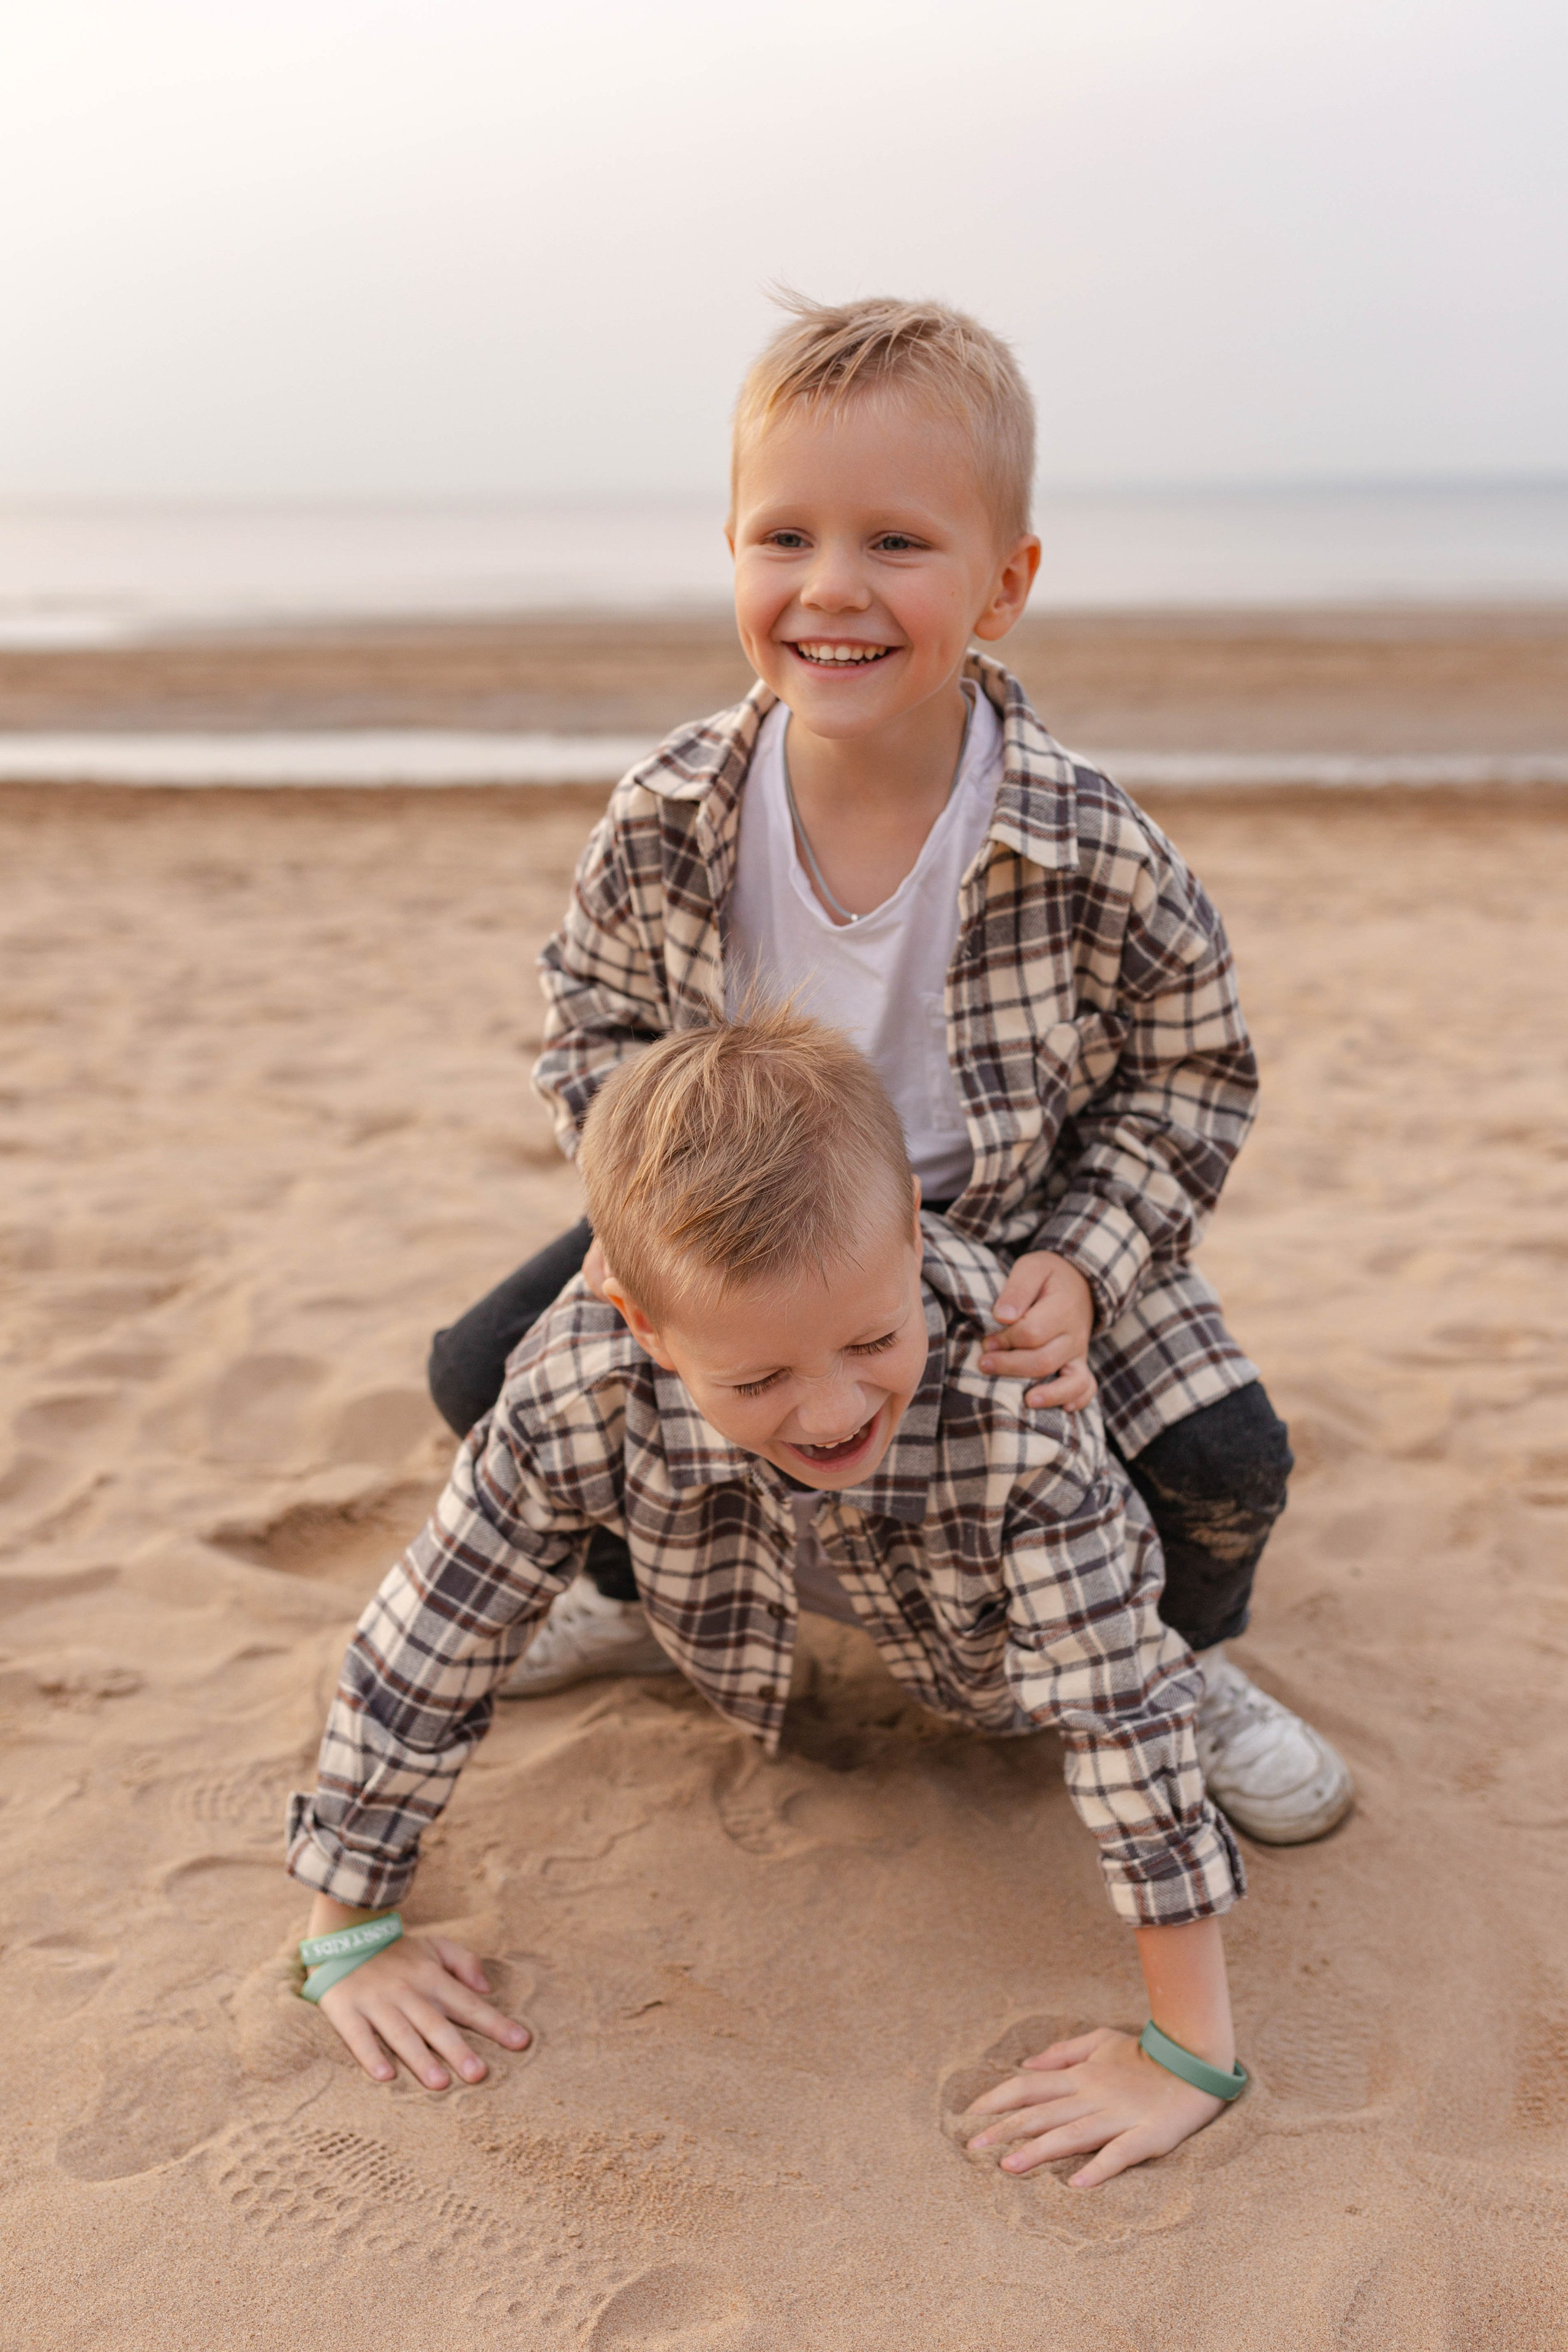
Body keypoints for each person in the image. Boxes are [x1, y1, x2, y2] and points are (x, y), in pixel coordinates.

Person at [428, 293, 1351, 1846]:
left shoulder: (1085, 840)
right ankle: (626, 1591)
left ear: (1005, 583)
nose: (830, 589)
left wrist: (1082, 1259)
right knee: (476, 1374)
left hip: (1003, 1228)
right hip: (731, 1219)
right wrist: (638, 1209)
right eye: (782, 538)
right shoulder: (669, 813)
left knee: (1220, 1464)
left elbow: (1191, 1075)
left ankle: (1169, 1661)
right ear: (729, 550)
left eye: (896, 545)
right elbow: (588, 1023)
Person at [288, 1014, 1252, 2188]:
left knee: (1179, 1559)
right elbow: (435, 1629)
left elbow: (1120, 1708)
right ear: (640, 1320)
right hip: (731, 1583)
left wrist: (1191, 2051)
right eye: (758, 1377)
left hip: (984, 1649)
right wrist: (346, 1925)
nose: (834, 1407)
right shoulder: (581, 1375)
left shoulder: (1013, 1394)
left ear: (914, 1235)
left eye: (872, 1338)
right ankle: (635, 1613)